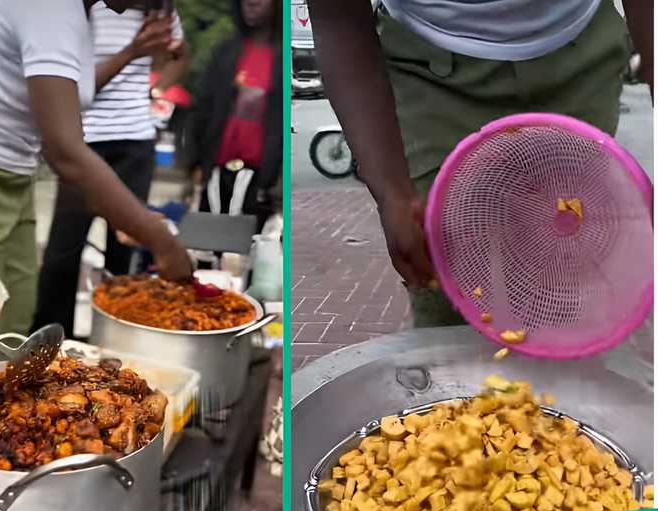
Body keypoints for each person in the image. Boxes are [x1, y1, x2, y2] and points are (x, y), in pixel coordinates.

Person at [308, 0, 653, 326]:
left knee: (565, 269)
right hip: (430, 66)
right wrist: (391, 191)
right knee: (450, 287)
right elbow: (338, 14)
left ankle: (561, 378)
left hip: (579, 48)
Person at [0, 0, 195, 375]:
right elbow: (66, 152)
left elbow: (63, 127)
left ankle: (3, 416)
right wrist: (161, 240)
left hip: (9, 170)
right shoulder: (50, 8)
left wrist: (119, 210)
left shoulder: (77, 14)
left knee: (15, 315)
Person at [32, 3, 190, 338]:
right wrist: (134, 51)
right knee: (64, 250)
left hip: (136, 141)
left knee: (125, 253)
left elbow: (180, 55)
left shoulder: (158, 11)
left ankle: (116, 342)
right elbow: (77, 90)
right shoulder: (80, 11)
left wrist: (157, 90)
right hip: (82, 143)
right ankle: (51, 344)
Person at [185, 0, 284, 235]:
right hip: (217, 173)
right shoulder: (225, 52)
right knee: (208, 248)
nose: (251, 3)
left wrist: (277, 181)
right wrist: (194, 164)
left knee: (248, 254)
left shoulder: (281, 57)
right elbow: (203, 110)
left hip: (260, 181)